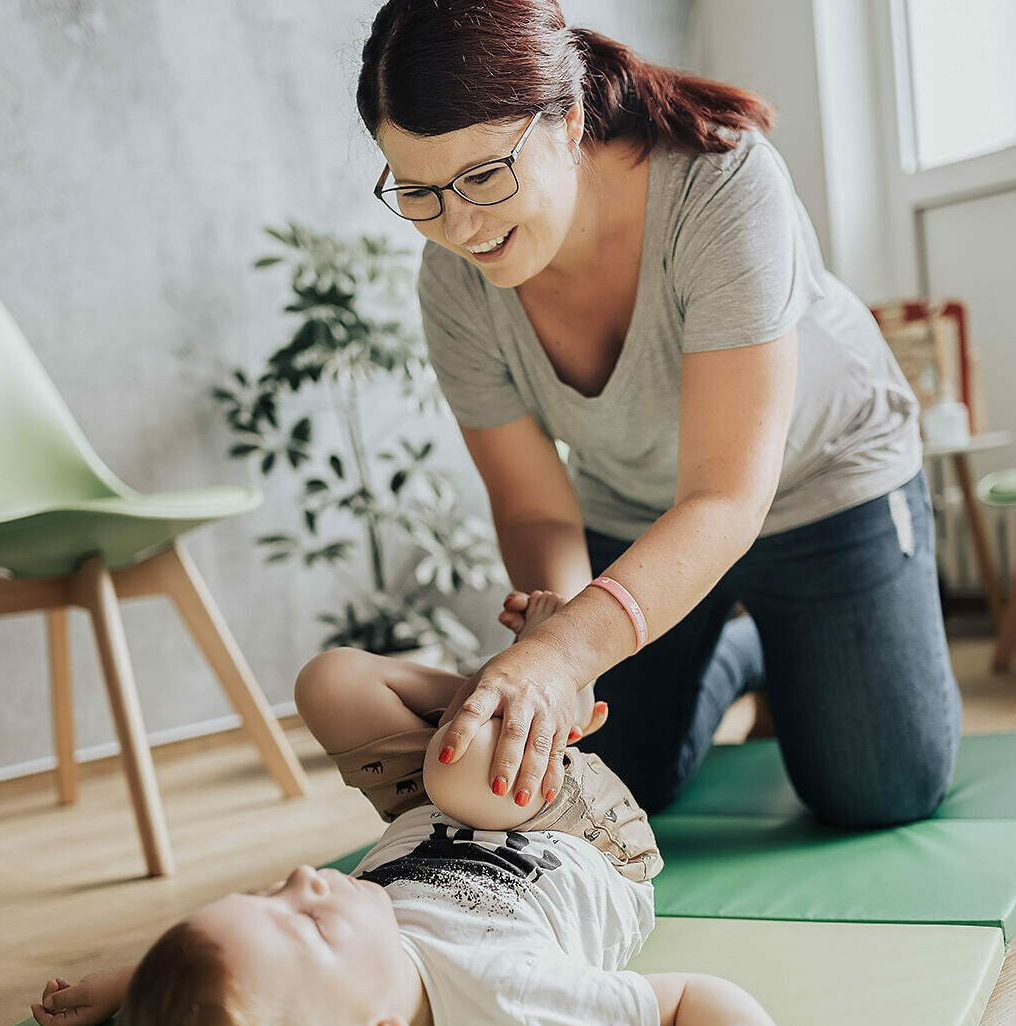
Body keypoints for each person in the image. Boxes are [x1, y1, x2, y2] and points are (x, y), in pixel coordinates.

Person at [357, 0, 961, 827]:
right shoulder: (451, 280)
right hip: (640, 516)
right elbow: (534, 503)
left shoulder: (720, 184)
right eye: (419, 192)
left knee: (876, 792)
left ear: (567, 123)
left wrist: (566, 651)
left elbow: (723, 496)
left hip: (823, 486)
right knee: (600, 778)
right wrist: (557, 631)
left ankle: (778, 642)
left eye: (482, 177)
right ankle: (745, 650)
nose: (458, 227)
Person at [31, 592, 839, 1026]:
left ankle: (514, 693)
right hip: (579, 831)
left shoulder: (337, 978)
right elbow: (682, 1003)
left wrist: (127, 985)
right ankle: (528, 699)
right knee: (461, 769)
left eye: (268, 893)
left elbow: (232, 965)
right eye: (306, 919)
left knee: (331, 680)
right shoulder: (514, 1003)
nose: (307, 877)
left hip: (428, 810)